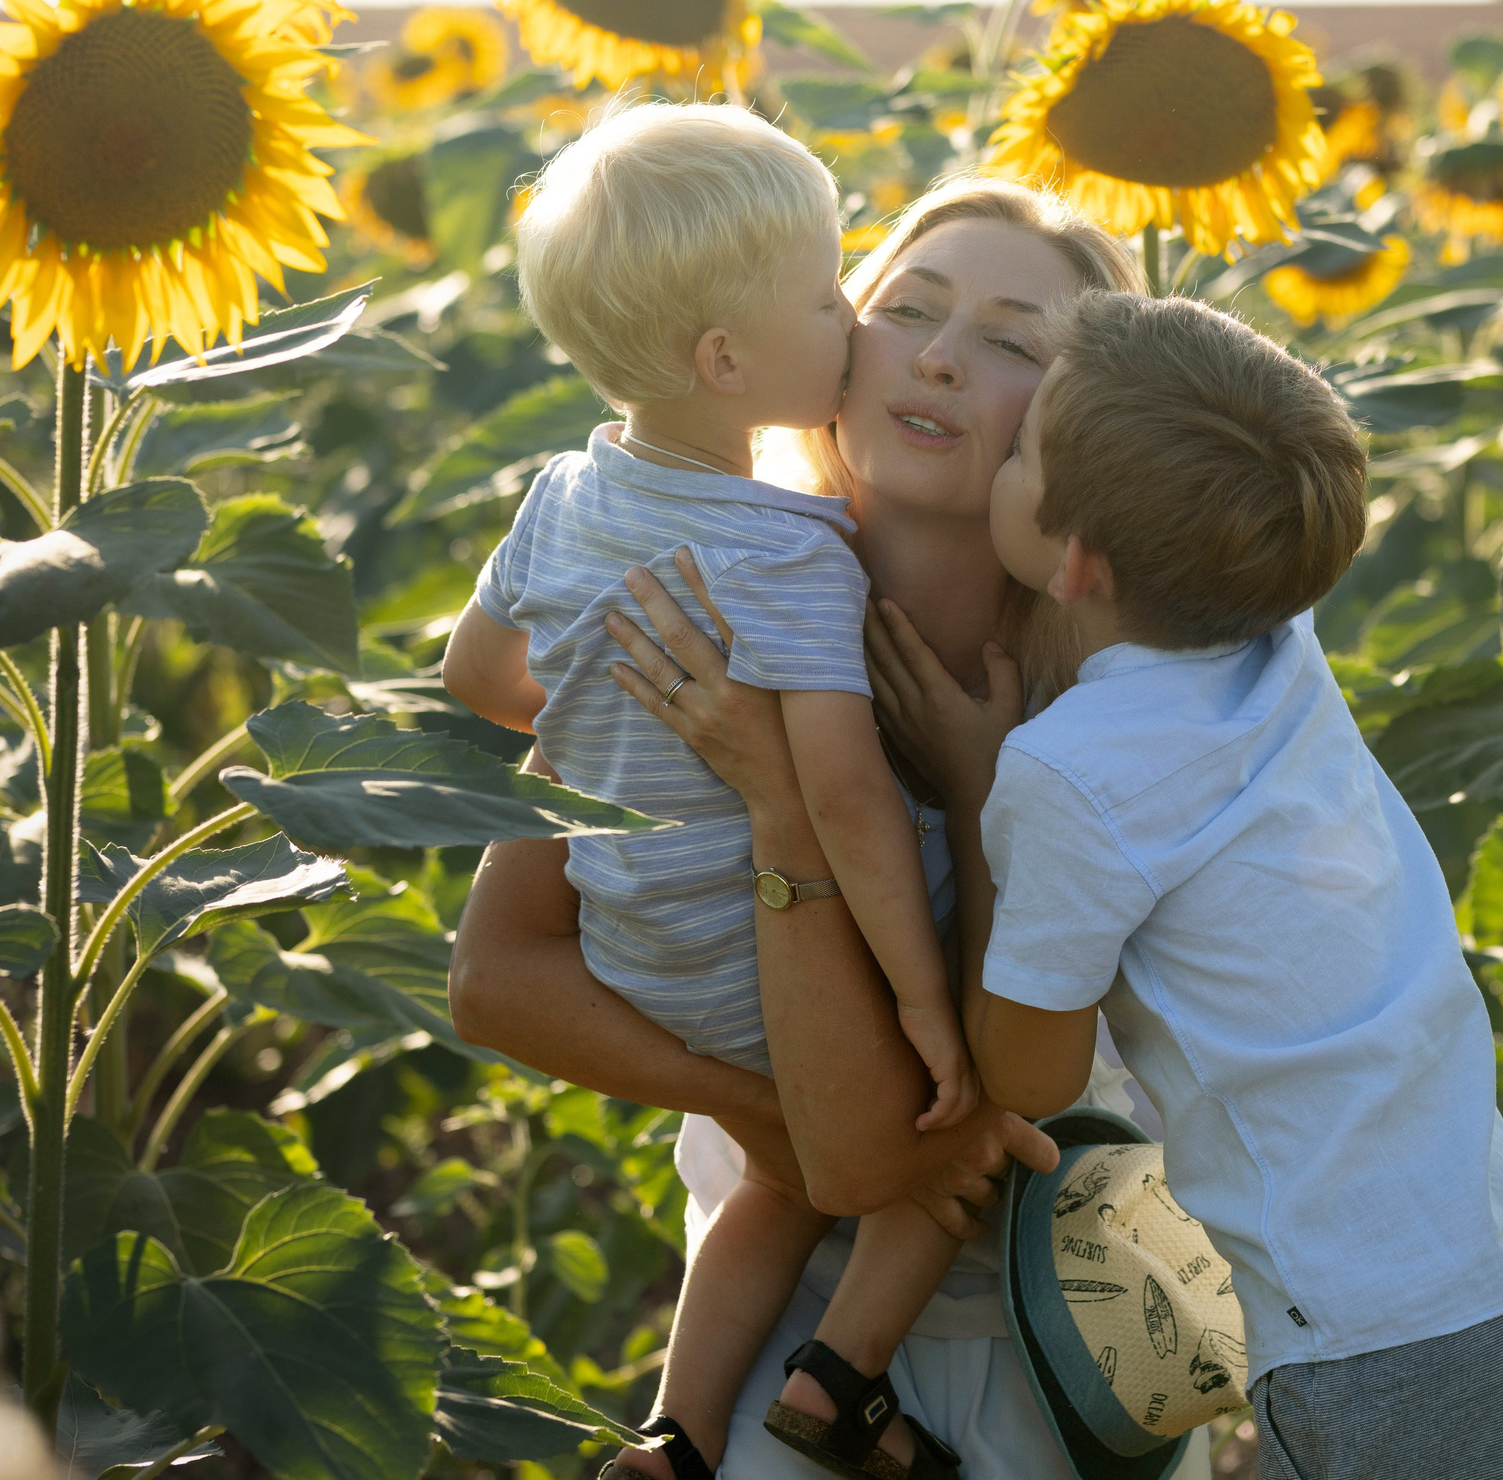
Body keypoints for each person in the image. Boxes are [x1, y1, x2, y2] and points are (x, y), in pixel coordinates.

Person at [450, 178, 1201, 1480]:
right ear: (827, 344)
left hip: (1065, 1339)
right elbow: (498, 976)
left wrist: (968, 794)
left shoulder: (1124, 690)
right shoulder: (700, 598)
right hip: (771, 1322)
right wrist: (796, 1126)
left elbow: (1021, 1062)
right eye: (904, 308)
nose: (941, 355)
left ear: (1082, 427)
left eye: (1015, 341)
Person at [910, 290, 1503, 1480]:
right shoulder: (1284, 642)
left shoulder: (1069, 770)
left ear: (1074, 563)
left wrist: (974, 788)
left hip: (1365, 1349)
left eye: (1020, 450)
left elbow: (1029, 1072)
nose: (1004, 441)